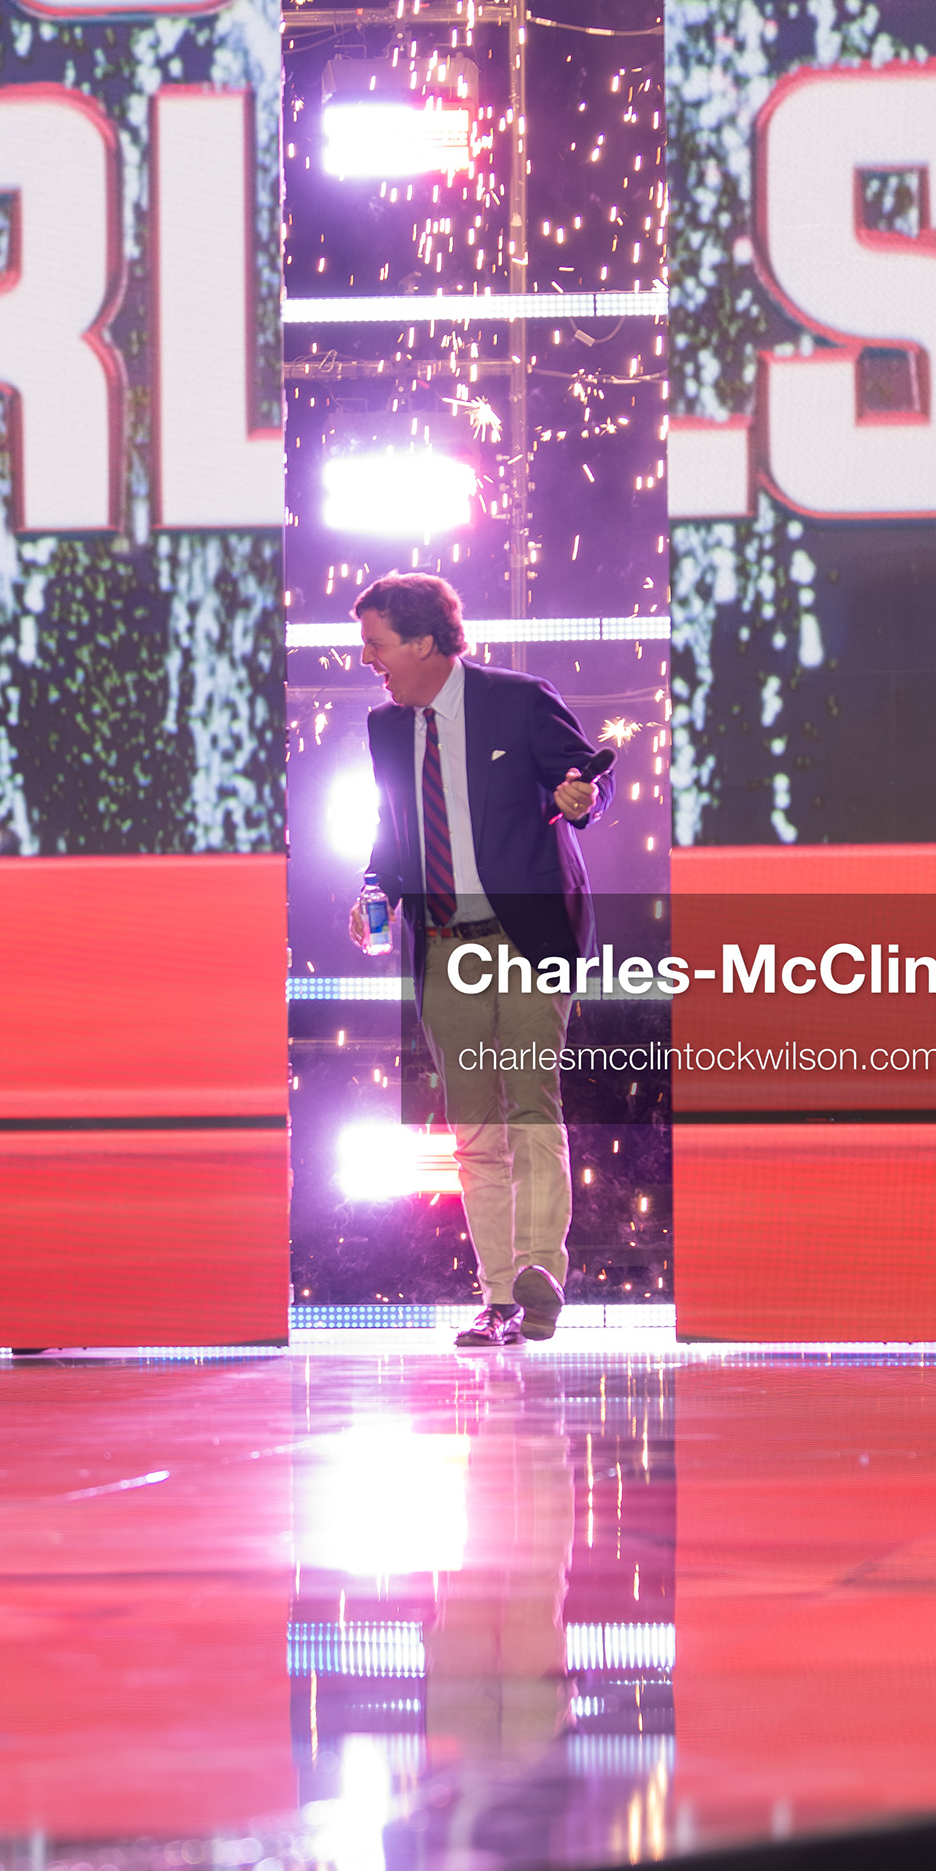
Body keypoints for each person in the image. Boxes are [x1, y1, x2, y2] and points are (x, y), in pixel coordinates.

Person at [348, 571, 611, 1350]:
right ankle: (499, 1299)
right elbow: (395, 831)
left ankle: (540, 1279)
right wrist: (372, 889)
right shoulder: (386, 727)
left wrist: (579, 798)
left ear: (425, 641)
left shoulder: (518, 698)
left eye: (377, 644)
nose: (368, 659)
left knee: (532, 1105)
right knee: (472, 1130)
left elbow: (584, 777)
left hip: (526, 939)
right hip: (439, 945)